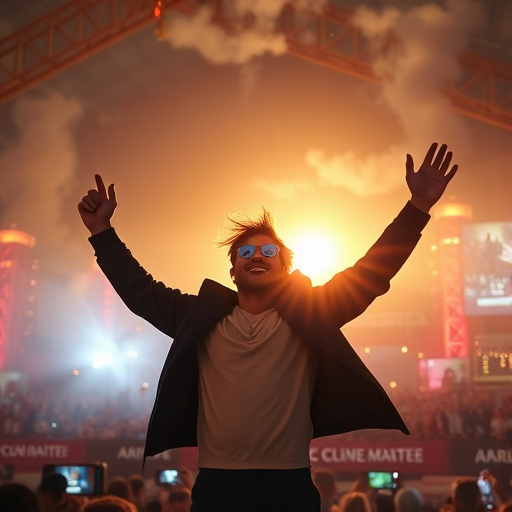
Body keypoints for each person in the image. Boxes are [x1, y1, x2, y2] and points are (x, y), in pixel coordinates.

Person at [77, 142, 458, 512]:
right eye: (245, 252)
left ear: (284, 268)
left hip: (288, 484)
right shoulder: (198, 317)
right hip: (216, 486)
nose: (256, 255)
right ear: (232, 270)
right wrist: (102, 233)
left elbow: (371, 272)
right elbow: (140, 291)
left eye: (268, 251)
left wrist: (418, 207)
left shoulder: (312, 313)